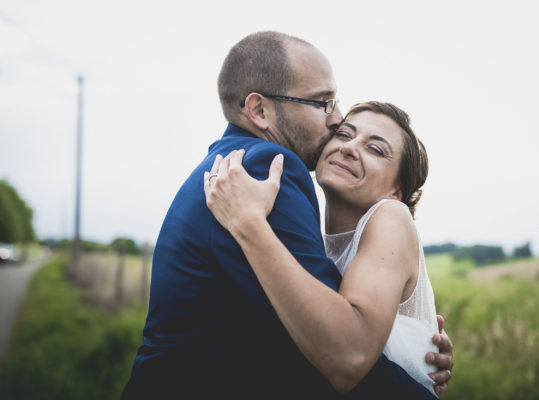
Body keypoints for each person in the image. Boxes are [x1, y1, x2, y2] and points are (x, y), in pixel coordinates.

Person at [122, 31, 452, 399]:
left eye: (374, 147)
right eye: (323, 104)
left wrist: (412, 354)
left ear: (398, 193)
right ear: (260, 111)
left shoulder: (237, 166)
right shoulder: (265, 168)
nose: (336, 122)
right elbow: (340, 353)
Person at [204, 101, 441, 396]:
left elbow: (349, 358)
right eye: (343, 134)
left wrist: (247, 222)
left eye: (375, 149)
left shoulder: (392, 215)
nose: (350, 147)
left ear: (397, 192)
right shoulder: (316, 243)